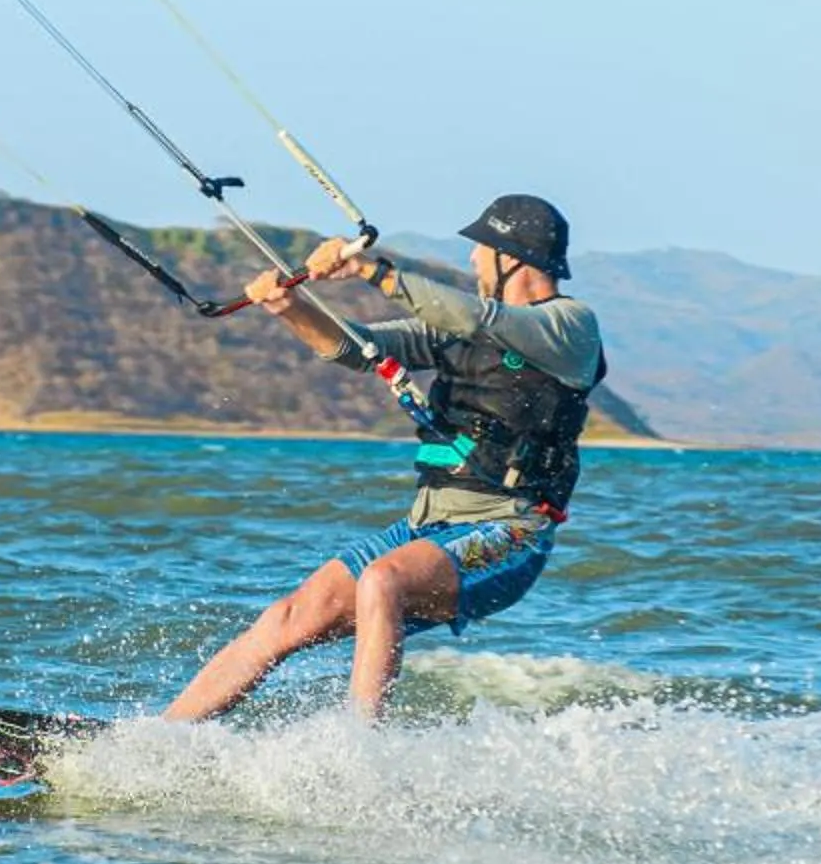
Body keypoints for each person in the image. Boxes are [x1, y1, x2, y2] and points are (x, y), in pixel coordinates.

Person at [163, 194, 605, 723]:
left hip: (511, 532)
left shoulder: (571, 327)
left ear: (510, 256)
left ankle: (362, 745)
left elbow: (481, 317)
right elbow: (358, 347)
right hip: (428, 526)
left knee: (383, 580)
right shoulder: (455, 332)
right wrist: (290, 309)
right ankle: (156, 739)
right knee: (286, 618)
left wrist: (371, 270)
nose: (471, 260)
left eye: (479, 248)